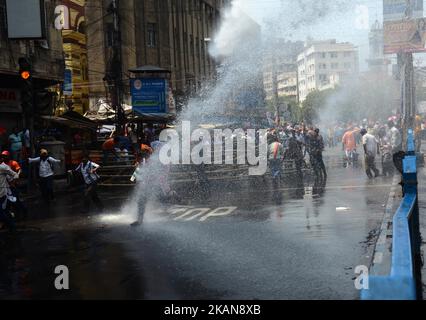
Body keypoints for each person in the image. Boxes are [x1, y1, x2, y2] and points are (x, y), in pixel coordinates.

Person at [1, 151, 27, 220]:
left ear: (8, 156)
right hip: (6, 186)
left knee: (16, 201)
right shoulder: (2, 165)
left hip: (13, 184)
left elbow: (19, 170)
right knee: (7, 202)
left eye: (5, 156)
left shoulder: (13, 163)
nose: (3, 157)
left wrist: (16, 176)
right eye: (2, 156)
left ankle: (23, 211)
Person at [0, 152, 19, 231]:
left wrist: (12, 183)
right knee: (5, 211)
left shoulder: (3, 167)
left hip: (2, 193)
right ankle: (10, 224)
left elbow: (15, 174)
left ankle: (12, 226)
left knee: (2, 212)